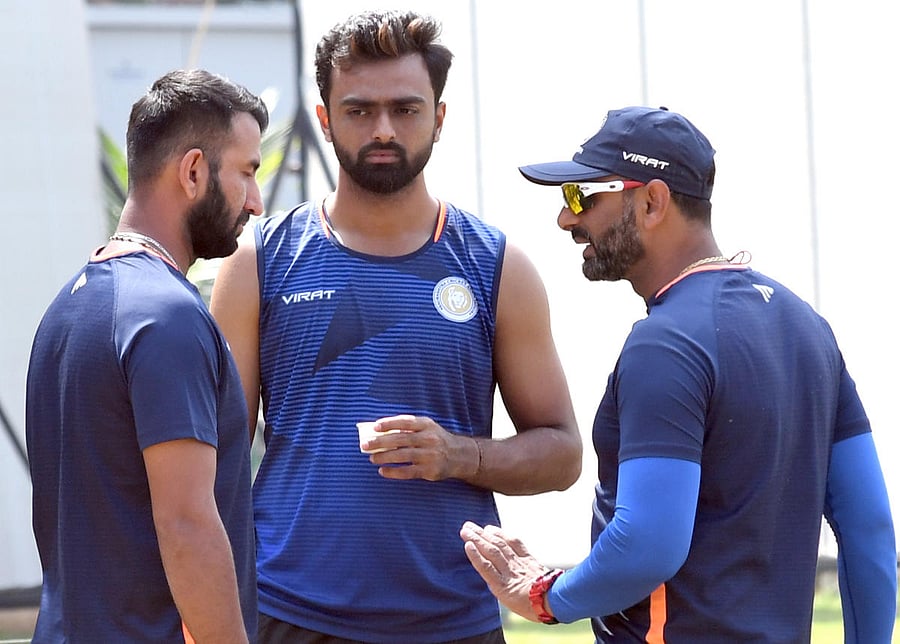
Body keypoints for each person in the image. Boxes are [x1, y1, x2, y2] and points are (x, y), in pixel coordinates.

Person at [209, 9, 582, 644]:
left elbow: (563, 452)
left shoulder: (498, 268)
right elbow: (212, 465)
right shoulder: (259, 262)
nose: (383, 129)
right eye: (359, 110)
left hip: (452, 619)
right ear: (325, 119)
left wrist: (458, 454)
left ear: (439, 117)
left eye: (406, 109)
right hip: (288, 611)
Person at [460, 106, 897, 642]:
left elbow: (647, 547)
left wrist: (546, 596)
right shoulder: (809, 328)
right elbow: (869, 530)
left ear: (651, 201)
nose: (567, 219)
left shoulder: (664, 344)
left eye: (582, 197)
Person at [25, 68, 269, 643]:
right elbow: (187, 523)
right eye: (246, 172)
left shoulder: (66, 308)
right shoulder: (169, 315)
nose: (256, 201)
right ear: (192, 171)